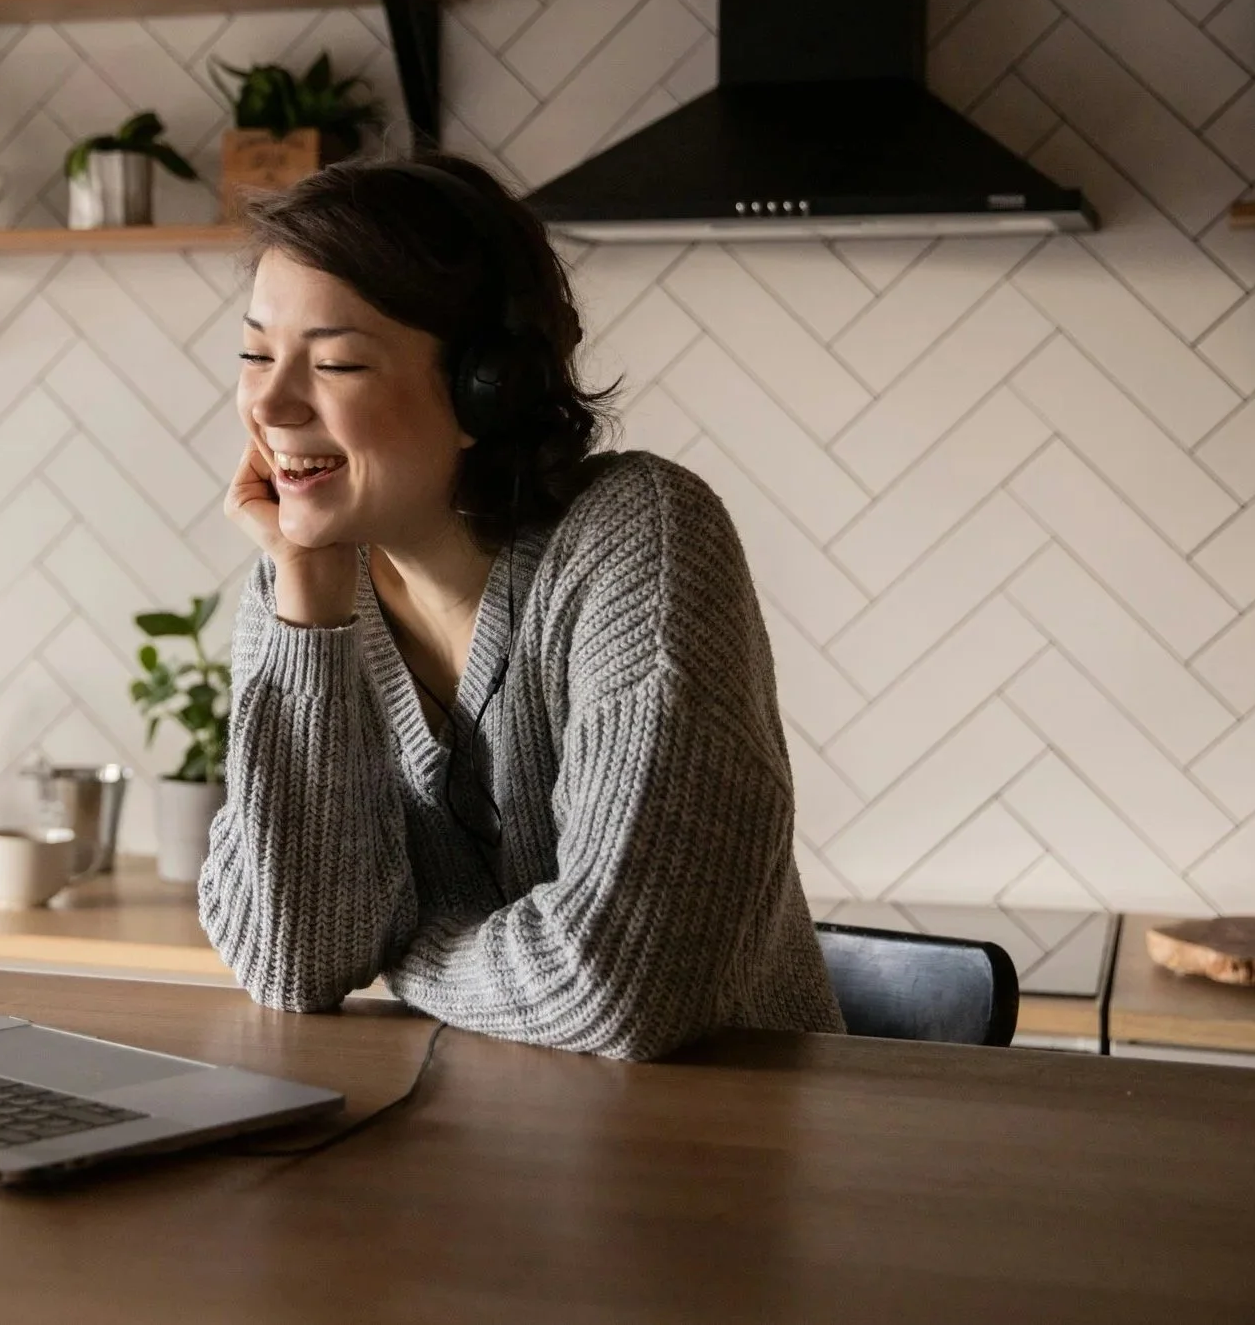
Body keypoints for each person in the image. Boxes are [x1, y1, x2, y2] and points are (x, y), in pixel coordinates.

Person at [200, 153, 843, 1060]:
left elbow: (617, 984)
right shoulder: (299, 591)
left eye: (336, 362)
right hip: (470, 1153)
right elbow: (294, 963)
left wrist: (408, 949)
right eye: (255, 353)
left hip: (717, 1156)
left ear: (484, 392)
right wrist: (306, 613)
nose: (269, 402)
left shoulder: (638, 537)